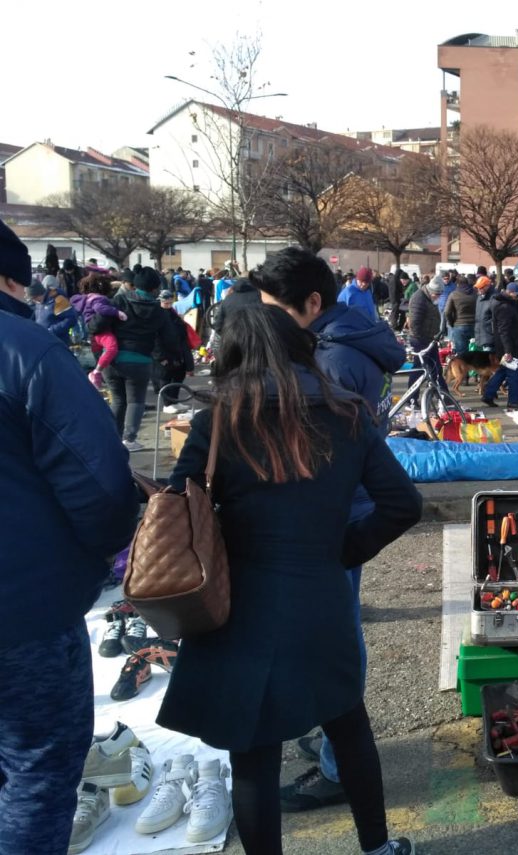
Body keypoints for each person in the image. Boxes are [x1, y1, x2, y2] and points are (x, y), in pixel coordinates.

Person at [161, 305, 420, 855]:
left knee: (253, 753)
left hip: (239, 602)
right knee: (346, 722)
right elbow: (403, 504)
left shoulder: (217, 423)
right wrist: (343, 550)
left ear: (232, 355)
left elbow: (178, 513)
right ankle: (377, 847)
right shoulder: (347, 415)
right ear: (303, 349)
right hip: (320, 591)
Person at [0, 218, 138, 855]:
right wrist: (107, 554)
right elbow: (100, 484)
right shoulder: (25, 350)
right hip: (24, 613)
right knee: (38, 770)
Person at [110, 267, 180, 451]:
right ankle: (129, 439)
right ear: (155, 288)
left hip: (112, 357)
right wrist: (174, 357)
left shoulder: (120, 300)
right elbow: (170, 338)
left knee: (118, 400)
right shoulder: (158, 311)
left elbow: (102, 322)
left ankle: (111, 438)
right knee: (135, 401)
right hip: (139, 360)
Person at [70, 272, 128, 388]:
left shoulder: (87, 298)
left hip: (92, 331)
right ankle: (96, 372)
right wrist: (117, 312)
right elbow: (100, 308)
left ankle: (98, 380)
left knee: (98, 355)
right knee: (112, 348)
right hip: (102, 331)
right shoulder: (98, 299)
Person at [482, 282, 518, 408]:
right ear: (510, 293)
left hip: (508, 345)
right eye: (517, 295)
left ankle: (488, 395)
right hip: (510, 346)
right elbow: (504, 331)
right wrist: (508, 351)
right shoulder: (505, 308)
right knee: (514, 374)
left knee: (503, 371)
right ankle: (513, 401)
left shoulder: (506, 304)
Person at [154, 290, 195, 412]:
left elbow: (181, 330)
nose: (168, 305)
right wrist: (160, 357)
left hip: (177, 349)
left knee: (178, 375)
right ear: (160, 301)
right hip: (164, 351)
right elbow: (155, 338)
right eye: (166, 303)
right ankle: (167, 404)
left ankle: (174, 401)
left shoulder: (172, 313)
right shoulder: (156, 314)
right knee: (165, 378)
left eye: (170, 303)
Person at [408, 276, 445, 395]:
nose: (438, 297)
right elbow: (414, 323)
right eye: (437, 294)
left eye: (440, 295)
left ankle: (443, 396)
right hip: (420, 340)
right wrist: (423, 341)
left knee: (436, 369)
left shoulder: (430, 298)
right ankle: (412, 398)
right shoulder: (418, 298)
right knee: (419, 370)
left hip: (429, 339)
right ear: (430, 291)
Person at [444, 275, 478, 354]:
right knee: (475, 351)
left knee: (462, 353)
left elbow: (447, 312)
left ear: (457, 284)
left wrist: (451, 323)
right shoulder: (475, 293)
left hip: (459, 325)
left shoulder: (453, 294)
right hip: (474, 325)